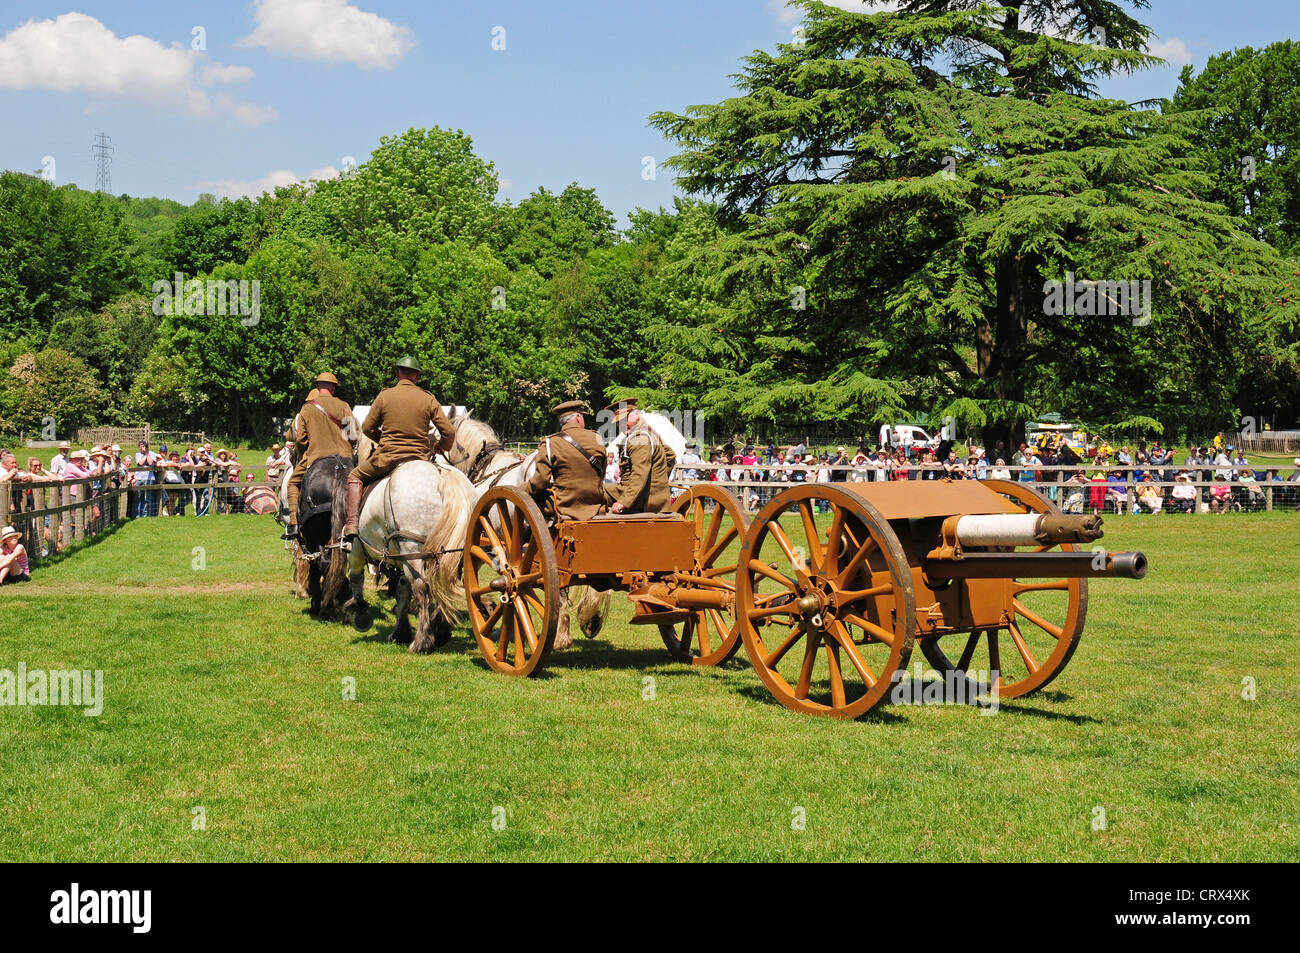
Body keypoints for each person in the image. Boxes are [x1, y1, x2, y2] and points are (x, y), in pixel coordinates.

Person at [344, 356, 454, 539]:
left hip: (387, 458)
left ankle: (352, 524)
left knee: (355, 475)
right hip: (420, 459)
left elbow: (366, 428)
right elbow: (449, 432)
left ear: (397, 373)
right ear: (417, 376)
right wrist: (441, 447)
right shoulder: (428, 398)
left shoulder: (385, 395)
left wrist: (383, 440)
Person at [284, 371, 356, 540]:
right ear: (333, 388)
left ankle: (293, 524)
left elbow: (301, 440)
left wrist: (305, 454)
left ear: (318, 386)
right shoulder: (344, 406)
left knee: (293, 483)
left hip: (316, 455)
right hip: (345, 459)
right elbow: (352, 436)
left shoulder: (307, 408)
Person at [522, 400, 607, 523]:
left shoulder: (551, 443)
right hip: (596, 505)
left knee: (528, 500)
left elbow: (541, 481)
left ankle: (528, 537)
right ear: (578, 417)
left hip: (562, 506)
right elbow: (602, 473)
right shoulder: (597, 438)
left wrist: (522, 489)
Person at [604, 397, 675, 514]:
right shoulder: (648, 431)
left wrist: (624, 501)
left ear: (637, 414)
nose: (621, 425)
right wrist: (657, 483)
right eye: (618, 423)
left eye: (624, 420)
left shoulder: (639, 438)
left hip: (642, 499)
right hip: (644, 494)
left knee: (595, 493)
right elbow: (670, 456)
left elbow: (639, 474)